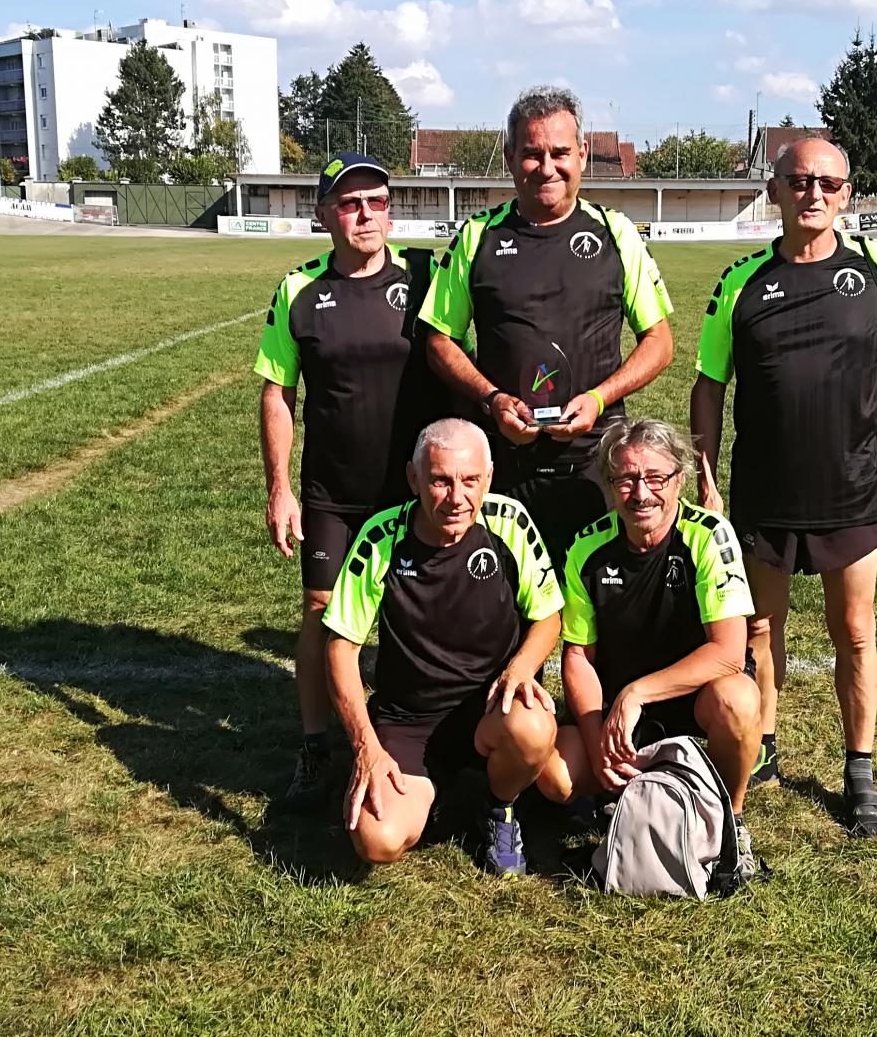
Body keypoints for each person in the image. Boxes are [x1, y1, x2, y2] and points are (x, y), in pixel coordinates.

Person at [689, 138, 877, 837]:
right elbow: (708, 385)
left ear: (845, 193)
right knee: (761, 629)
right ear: (776, 190)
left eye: (827, 182)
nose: (812, 192)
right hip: (764, 487)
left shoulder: (874, 267)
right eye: (798, 180)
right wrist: (705, 475)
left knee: (854, 632)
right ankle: (762, 749)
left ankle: (859, 772)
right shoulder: (741, 282)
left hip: (853, 485)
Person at [256, 153, 455, 810]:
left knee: (414, 614)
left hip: (416, 491)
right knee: (320, 613)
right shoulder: (299, 290)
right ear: (324, 215)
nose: (365, 213)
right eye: (349, 202)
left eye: (376, 200)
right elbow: (277, 392)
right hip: (333, 494)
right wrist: (280, 487)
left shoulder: (427, 275)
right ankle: (317, 746)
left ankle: (420, 735)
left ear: (390, 209)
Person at [419, 85, 675, 564]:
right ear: (510, 156)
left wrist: (599, 399)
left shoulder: (615, 232)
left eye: (560, 152)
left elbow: (659, 342)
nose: (547, 166)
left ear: (581, 155)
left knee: (598, 618)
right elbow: (439, 340)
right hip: (503, 464)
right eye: (532, 154)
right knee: (505, 615)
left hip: (597, 462)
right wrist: (492, 400)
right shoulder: (479, 236)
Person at [322, 418, 565, 876]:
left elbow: (549, 615)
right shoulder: (381, 537)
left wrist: (521, 669)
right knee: (378, 840)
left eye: (470, 481)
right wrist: (365, 746)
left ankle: (499, 807)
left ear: (488, 478)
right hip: (409, 718)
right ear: (414, 479)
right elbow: (340, 649)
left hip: (490, 708)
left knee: (534, 730)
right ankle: (447, 794)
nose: (457, 498)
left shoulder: (509, 522)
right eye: (440, 481)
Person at [534, 419, 763, 879]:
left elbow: (729, 652)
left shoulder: (709, 535)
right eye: (626, 479)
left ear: (679, 480)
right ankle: (612, 796)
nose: (641, 493)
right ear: (609, 482)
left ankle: (732, 824)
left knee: (738, 699)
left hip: (691, 702)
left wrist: (637, 693)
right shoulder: (586, 547)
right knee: (556, 777)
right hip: (620, 717)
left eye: (656, 478)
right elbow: (577, 656)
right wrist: (597, 733)